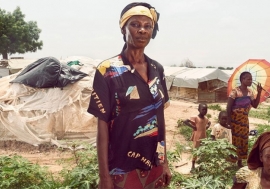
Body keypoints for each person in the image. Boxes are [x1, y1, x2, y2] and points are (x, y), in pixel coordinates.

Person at [87, 3, 171, 189]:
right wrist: (105, 176)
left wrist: (164, 162)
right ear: (123, 29)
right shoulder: (107, 70)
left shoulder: (157, 69)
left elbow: (160, 119)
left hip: (154, 165)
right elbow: (102, 125)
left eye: (147, 26)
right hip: (121, 169)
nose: (142, 30)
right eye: (135, 24)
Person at [227, 71, 262, 167]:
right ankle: (232, 161)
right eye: (248, 79)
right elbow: (228, 107)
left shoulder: (250, 92)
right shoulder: (235, 91)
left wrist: (259, 92)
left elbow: (254, 105)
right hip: (235, 120)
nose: (250, 81)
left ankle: (240, 161)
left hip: (244, 120)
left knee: (243, 139)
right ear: (242, 80)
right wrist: (229, 121)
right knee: (234, 140)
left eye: (251, 79)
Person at [184, 103, 211, 170]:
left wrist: (207, 127)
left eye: (206, 109)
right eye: (203, 109)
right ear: (199, 109)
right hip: (197, 137)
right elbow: (185, 121)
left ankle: (201, 166)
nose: (204, 111)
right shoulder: (195, 118)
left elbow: (209, 123)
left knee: (203, 151)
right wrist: (193, 127)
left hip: (204, 137)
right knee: (195, 151)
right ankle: (193, 165)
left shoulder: (206, 118)